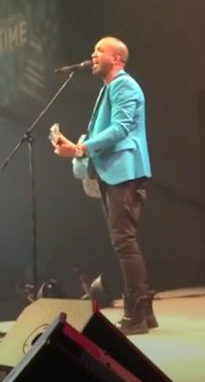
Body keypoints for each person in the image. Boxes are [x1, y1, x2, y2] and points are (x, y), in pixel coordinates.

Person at [53, 36, 155, 336]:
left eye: (100, 50)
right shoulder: (109, 88)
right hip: (114, 172)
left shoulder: (123, 85)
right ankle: (145, 313)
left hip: (125, 172)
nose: (93, 54)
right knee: (124, 240)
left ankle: (136, 314)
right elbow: (103, 130)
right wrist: (76, 145)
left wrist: (80, 150)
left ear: (118, 58)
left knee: (124, 241)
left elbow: (120, 129)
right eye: (93, 48)